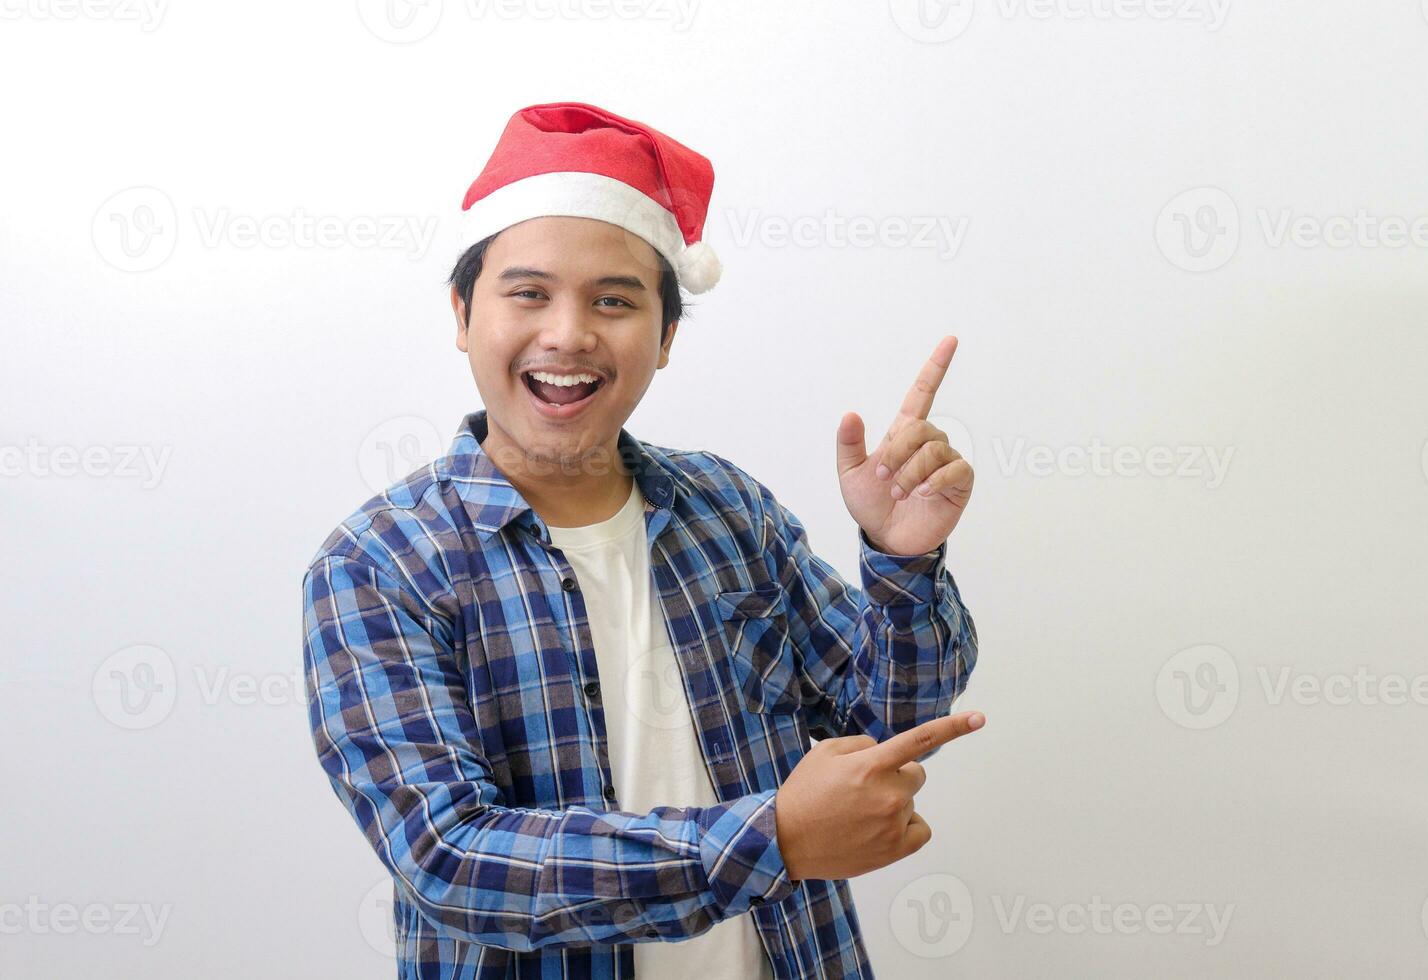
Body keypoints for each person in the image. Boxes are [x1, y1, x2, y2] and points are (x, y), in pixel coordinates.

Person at [301, 101, 982, 979]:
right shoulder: (379, 566)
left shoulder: (728, 510)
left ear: (663, 337)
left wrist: (902, 563)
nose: (568, 335)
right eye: (528, 293)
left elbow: (882, 722)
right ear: (463, 312)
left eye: (613, 301)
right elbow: (452, 861)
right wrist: (771, 838)